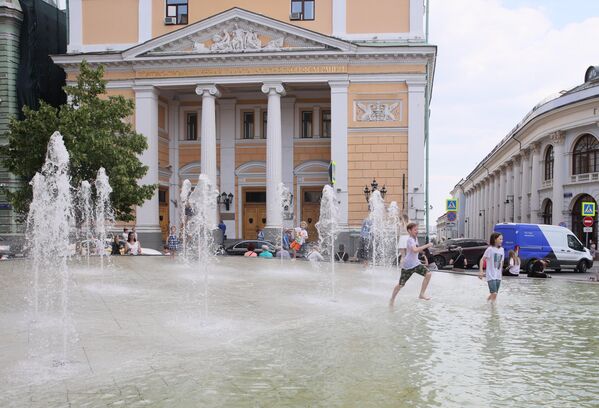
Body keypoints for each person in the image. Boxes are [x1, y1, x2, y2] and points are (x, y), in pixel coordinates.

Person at [389, 223, 434, 307]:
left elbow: (414, 250)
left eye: (417, 229)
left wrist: (422, 252)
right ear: (409, 231)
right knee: (401, 284)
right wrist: (427, 245)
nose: (417, 231)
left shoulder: (415, 238)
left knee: (428, 274)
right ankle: (392, 299)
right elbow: (414, 250)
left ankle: (421, 294)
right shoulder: (410, 239)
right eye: (415, 230)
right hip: (408, 266)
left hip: (415, 264)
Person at [478, 232, 505, 302]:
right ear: (495, 239)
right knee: (494, 293)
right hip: (491, 275)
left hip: (498, 276)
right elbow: (482, 259)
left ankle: (487, 303)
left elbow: (501, 262)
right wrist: (481, 271)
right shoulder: (490, 249)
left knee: (494, 294)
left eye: (502, 239)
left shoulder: (502, 250)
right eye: (500, 239)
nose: (502, 241)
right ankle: (493, 309)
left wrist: (501, 273)